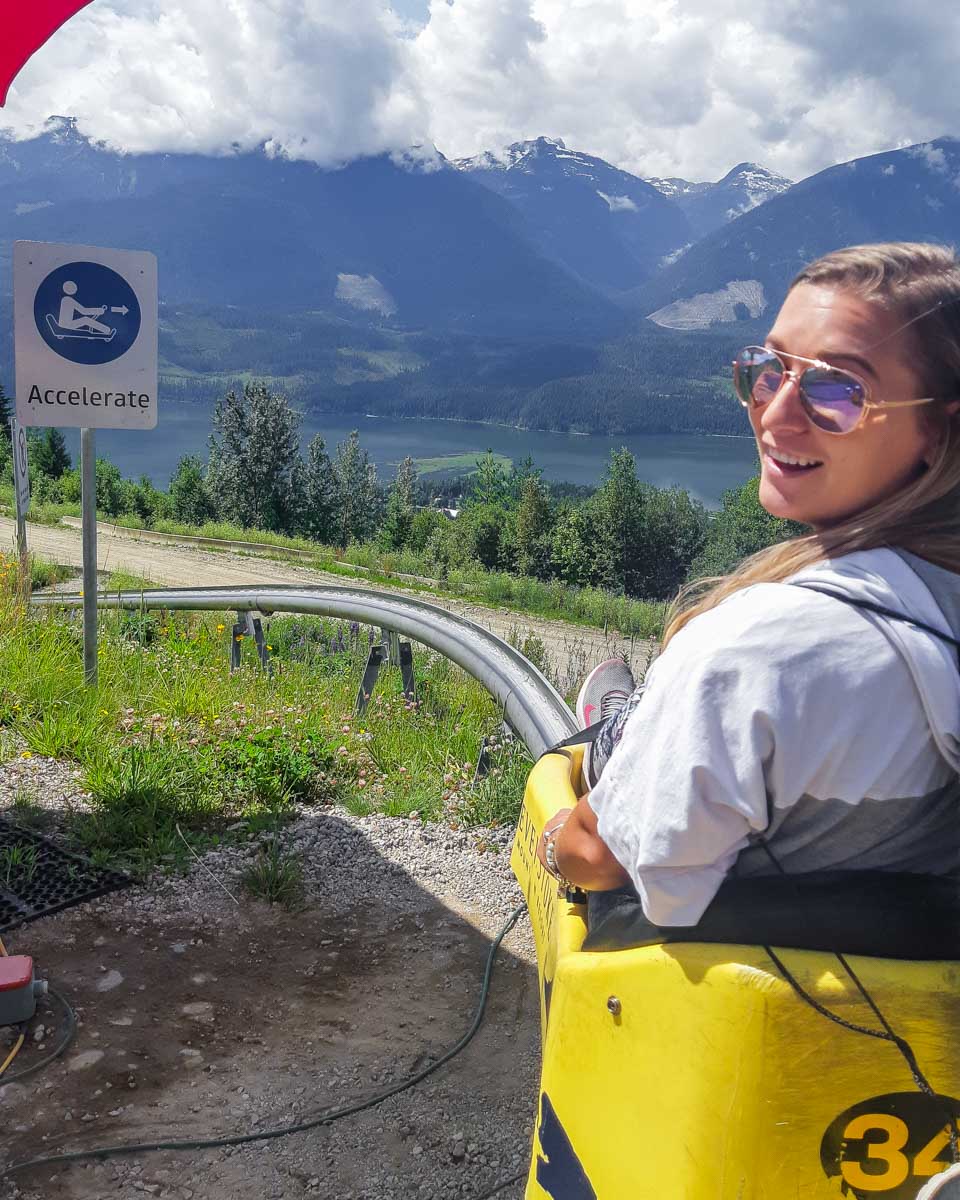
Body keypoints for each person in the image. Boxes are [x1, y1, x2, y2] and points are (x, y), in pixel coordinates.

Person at [537, 242, 960, 932]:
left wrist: (552, 840)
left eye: (837, 390)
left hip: (731, 961)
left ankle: (625, 720)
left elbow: (599, 853)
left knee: (637, 725)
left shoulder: (752, 655)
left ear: (940, 428)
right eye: (766, 370)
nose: (774, 414)